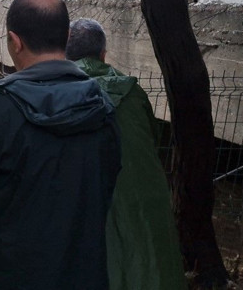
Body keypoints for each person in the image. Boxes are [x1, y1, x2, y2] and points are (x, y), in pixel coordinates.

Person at [0, 0, 121, 290]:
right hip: (82, 274)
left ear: (15, 41)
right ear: (65, 38)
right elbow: (109, 180)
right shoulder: (101, 106)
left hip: (8, 277)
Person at [66, 18, 186, 290]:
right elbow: (153, 139)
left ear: (63, 54)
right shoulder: (133, 93)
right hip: (144, 207)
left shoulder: (57, 92)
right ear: (103, 55)